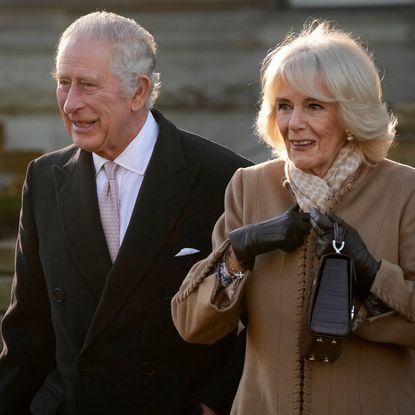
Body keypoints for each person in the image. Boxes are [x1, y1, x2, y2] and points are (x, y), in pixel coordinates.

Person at [0, 11, 252, 415]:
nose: (69, 103)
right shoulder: (44, 177)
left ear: (139, 92)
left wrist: (214, 401)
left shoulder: (225, 178)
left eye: (87, 85)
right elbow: (27, 327)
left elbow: (265, 320)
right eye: (63, 83)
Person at [172, 19, 415, 415]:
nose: (294, 123)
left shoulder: (405, 190)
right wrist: (238, 251)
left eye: (314, 106)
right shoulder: (248, 187)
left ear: (352, 114)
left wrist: (371, 273)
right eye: (284, 106)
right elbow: (191, 325)